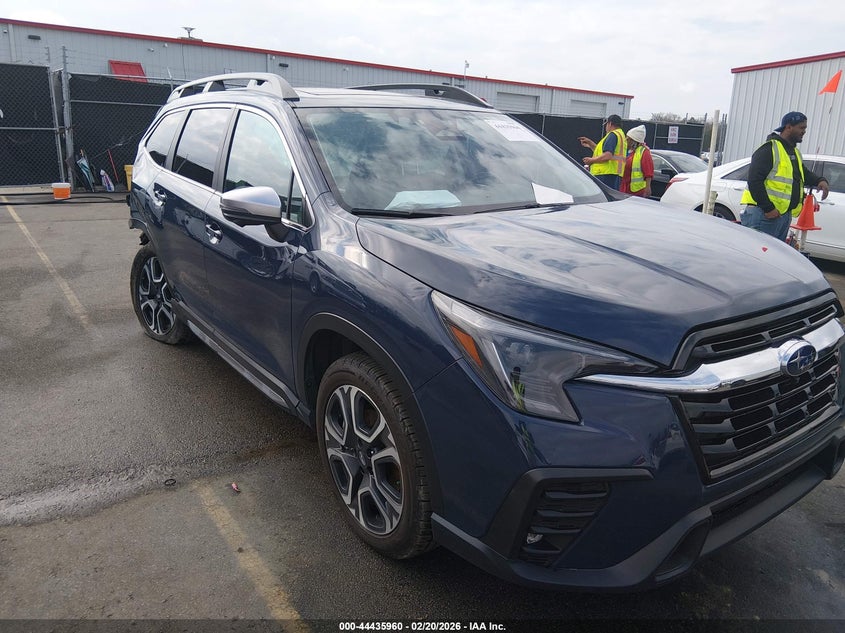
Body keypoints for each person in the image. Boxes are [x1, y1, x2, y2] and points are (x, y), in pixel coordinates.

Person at [739, 111, 829, 242]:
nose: (804, 131)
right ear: (788, 127)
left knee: (774, 254)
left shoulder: (793, 152)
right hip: (764, 214)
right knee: (758, 253)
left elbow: (802, 173)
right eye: (801, 127)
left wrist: (820, 180)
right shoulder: (769, 149)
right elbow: (754, 181)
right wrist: (768, 208)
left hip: (781, 215)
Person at [578, 114, 627, 190]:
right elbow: (603, 153)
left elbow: (607, 155)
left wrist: (591, 160)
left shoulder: (612, 135)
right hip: (613, 173)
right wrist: (590, 144)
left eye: (606, 125)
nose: (606, 127)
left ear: (610, 123)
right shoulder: (620, 135)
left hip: (605, 174)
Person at [620, 125, 653, 197]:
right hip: (625, 188)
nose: (625, 140)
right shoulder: (628, 151)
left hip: (637, 191)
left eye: (628, 139)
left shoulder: (644, 152)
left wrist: (647, 187)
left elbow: (648, 172)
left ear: (634, 141)